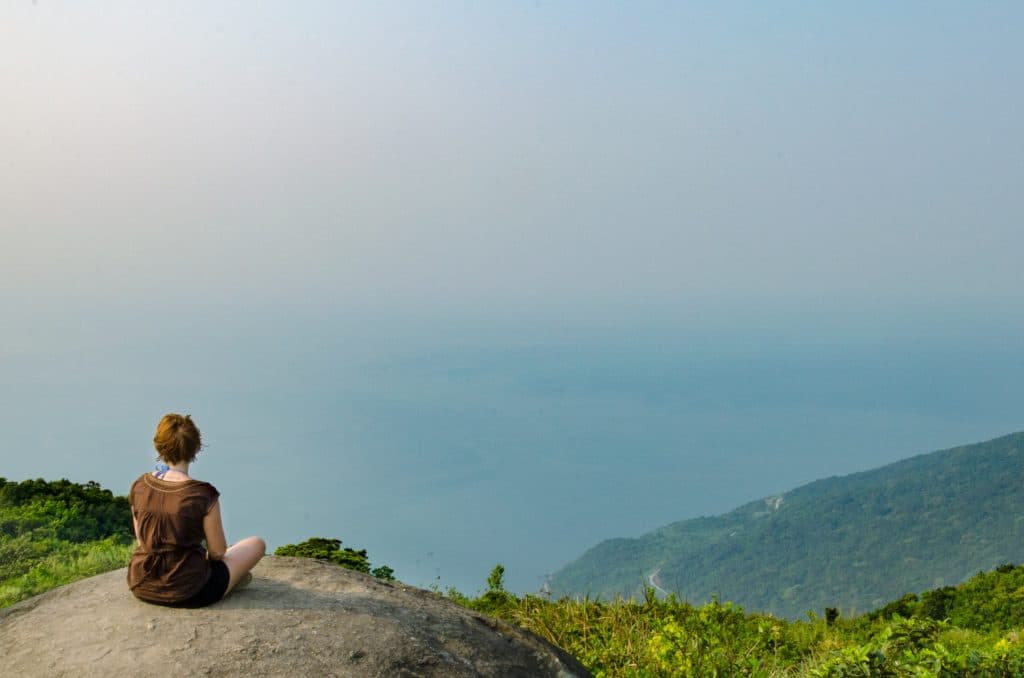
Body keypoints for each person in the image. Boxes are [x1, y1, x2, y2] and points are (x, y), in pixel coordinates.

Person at [127, 413, 265, 607]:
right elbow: (217, 553)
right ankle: (231, 582)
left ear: (158, 446)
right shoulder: (203, 494)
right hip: (191, 591)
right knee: (257, 543)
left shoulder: (140, 486)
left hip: (142, 584)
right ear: (196, 447)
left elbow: (143, 541)